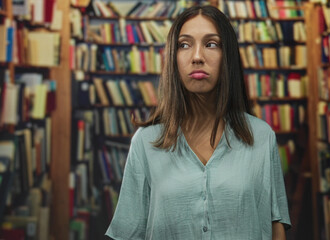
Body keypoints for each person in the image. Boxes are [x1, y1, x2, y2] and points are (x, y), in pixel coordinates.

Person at [106, 5, 291, 240]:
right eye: (184, 45)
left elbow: (276, 226)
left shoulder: (262, 137)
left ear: (228, 56)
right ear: (173, 57)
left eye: (211, 44)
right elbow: (127, 233)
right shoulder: (146, 142)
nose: (197, 57)